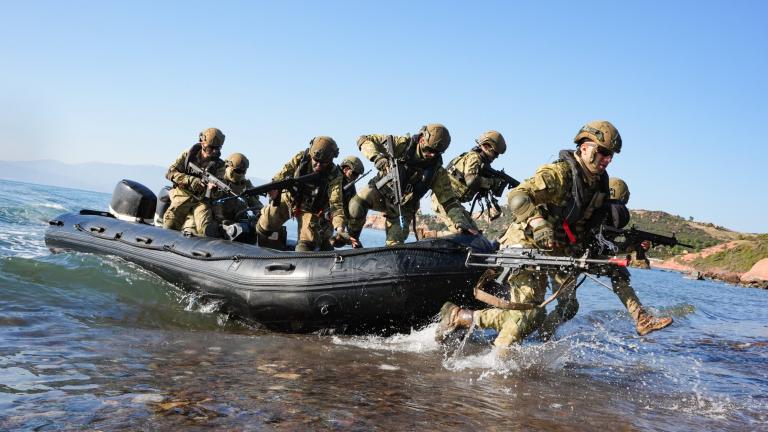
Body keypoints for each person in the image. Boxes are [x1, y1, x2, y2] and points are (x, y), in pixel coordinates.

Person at [437, 120, 673, 349]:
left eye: (610, 156)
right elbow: (519, 196)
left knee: (574, 300)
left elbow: (589, 230)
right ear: (584, 146)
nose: (606, 160)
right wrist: (538, 223)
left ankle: (639, 317)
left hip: (560, 247)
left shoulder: (596, 185)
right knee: (528, 313)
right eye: (602, 152)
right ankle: (480, 339)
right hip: (526, 241)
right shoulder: (560, 173)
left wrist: (627, 249)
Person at [536, 177, 658, 340]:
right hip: (563, 257)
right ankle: (542, 336)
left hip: (577, 256)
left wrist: (634, 246)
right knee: (568, 306)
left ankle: (642, 318)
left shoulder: (602, 212)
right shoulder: (593, 210)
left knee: (616, 272)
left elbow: (605, 243)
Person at [347, 124, 477, 246]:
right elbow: (364, 140)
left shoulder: (437, 172)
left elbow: (449, 202)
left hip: (403, 208)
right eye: (429, 150)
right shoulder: (401, 144)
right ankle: (352, 238)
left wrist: (460, 222)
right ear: (421, 139)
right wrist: (377, 158)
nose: (431, 155)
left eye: (436, 153)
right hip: (380, 191)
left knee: (395, 245)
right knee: (356, 205)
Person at [255, 136, 357, 251]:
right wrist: (274, 188)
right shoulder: (300, 158)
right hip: (290, 199)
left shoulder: (334, 175)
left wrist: (340, 229)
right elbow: (282, 174)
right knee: (265, 224)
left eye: (323, 163)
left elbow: (336, 204)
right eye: (316, 161)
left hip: (310, 210)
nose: (318, 166)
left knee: (306, 245)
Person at [432, 130, 508, 232]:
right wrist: (492, 182)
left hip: (454, 202)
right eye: (495, 153)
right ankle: (431, 235)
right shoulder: (474, 158)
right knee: (463, 233)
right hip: (443, 199)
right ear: (486, 146)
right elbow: (471, 180)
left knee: (475, 235)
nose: (496, 157)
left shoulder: (482, 164)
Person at [163, 127, 226, 237]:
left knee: (206, 228)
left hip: (202, 200)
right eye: (210, 148)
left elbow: (219, 193)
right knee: (170, 223)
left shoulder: (219, 166)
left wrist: (213, 189)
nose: (213, 152)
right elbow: (170, 173)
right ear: (202, 143)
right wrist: (190, 180)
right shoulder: (188, 156)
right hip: (182, 194)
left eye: (217, 149)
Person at [318, 155, 365, 248]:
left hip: (333, 218)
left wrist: (352, 236)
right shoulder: (331, 175)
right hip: (318, 214)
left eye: (357, 175)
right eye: (354, 174)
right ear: (346, 169)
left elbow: (350, 211)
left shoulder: (350, 187)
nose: (356, 177)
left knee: (328, 246)